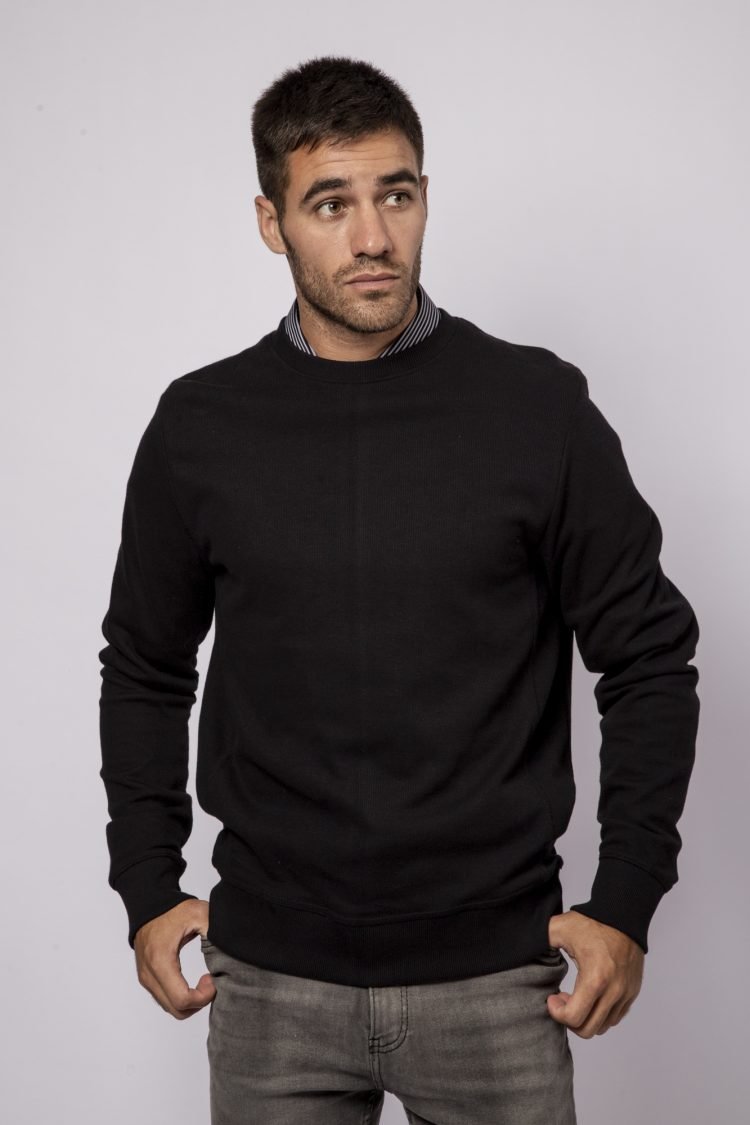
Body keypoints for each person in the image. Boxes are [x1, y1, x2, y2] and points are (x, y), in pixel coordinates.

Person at [98, 54, 701, 1124]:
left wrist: (626, 902)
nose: (373, 237)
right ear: (272, 222)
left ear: (425, 197)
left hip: (497, 980)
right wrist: (147, 885)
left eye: (397, 194)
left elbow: (648, 655)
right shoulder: (202, 426)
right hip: (270, 984)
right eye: (330, 203)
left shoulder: (537, 408)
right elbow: (146, 665)